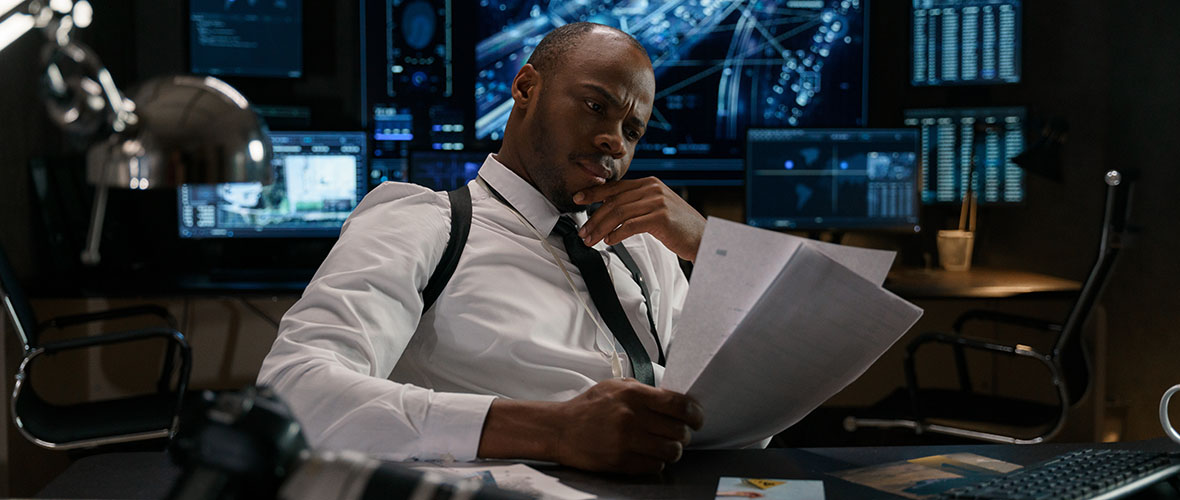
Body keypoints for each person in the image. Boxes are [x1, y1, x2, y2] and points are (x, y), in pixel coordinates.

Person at [258, 22, 711, 475]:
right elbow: (292, 393)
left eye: (633, 131)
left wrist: (712, 250)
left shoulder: (648, 249)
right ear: (526, 87)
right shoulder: (421, 223)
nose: (615, 141)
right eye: (595, 107)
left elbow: (738, 408)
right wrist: (552, 432)